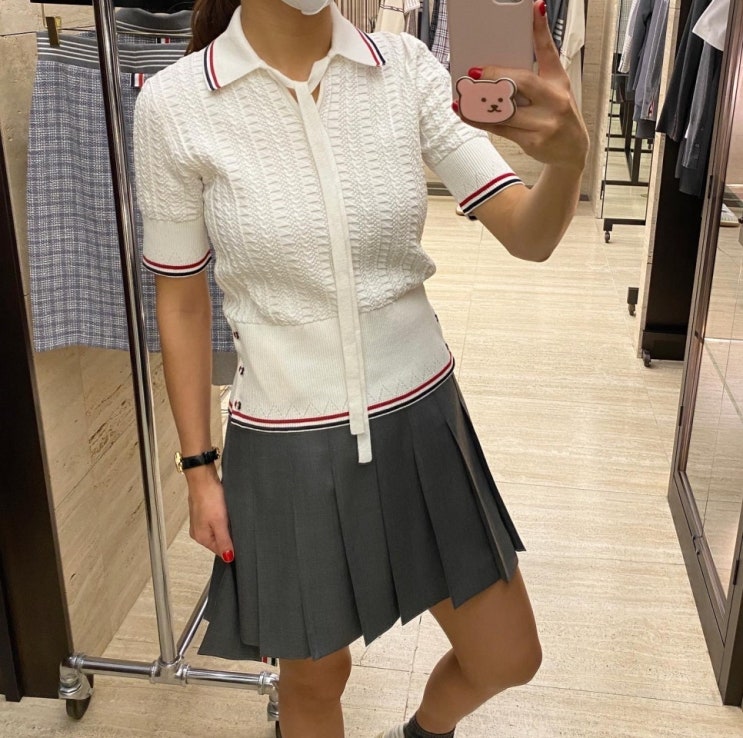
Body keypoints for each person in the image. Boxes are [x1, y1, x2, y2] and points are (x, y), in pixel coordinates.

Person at [133, 0, 589, 736]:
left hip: (424, 426)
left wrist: (566, 161)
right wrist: (197, 469)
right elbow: (180, 298)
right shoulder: (176, 103)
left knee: (508, 655)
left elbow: (528, 236)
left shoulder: (404, 69)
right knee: (316, 680)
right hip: (285, 444)